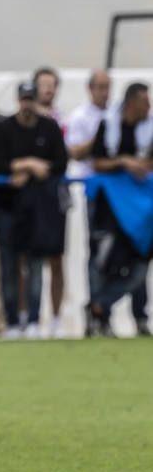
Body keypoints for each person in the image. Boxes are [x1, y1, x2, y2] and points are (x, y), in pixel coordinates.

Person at [0, 81, 69, 339]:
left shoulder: (50, 128)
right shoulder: (3, 129)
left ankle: (33, 319)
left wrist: (26, 170)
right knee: (8, 264)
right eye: (24, 99)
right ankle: (12, 320)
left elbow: (59, 164)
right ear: (18, 100)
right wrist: (27, 164)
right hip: (6, 206)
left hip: (38, 208)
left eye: (31, 99)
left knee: (35, 264)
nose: (27, 105)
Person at [86, 82, 153, 335]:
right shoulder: (109, 125)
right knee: (104, 261)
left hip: (143, 209)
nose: (149, 107)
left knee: (141, 261)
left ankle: (114, 309)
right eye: (145, 101)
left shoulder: (150, 127)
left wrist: (142, 164)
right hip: (111, 207)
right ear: (131, 103)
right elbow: (97, 162)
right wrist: (124, 162)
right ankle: (101, 317)